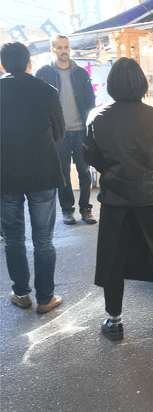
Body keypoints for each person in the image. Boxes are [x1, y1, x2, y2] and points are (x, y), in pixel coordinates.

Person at [82, 58, 153, 341]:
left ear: (111, 85)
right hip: (149, 198)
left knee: (113, 256)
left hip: (114, 198)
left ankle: (114, 321)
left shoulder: (97, 117)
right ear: (141, 83)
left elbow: (91, 158)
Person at [1, 42, 66, 313]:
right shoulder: (47, 91)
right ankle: (45, 298)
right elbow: (60, 132)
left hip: (6, 175)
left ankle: (21, 293)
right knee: (43, 239)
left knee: (14, 237)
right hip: (43, 172)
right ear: (29, 63)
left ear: (3, 64)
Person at [35, 34, 97, 225]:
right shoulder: (43, 73)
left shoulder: (80, 73)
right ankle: (67, 210)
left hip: (80, 130)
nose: (64, 51)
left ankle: (86, 209)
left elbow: (90, 101)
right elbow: (39, 105)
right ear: (52, 49)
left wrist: (89, 124)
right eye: (60, 47)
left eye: (66, 47)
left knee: (84, 171)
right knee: (63, 174)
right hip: (59, 133)